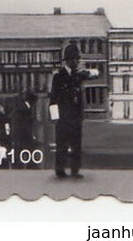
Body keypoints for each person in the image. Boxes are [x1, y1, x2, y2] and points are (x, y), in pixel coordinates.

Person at [49, 41, 99, 179]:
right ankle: (60, 170)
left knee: (76, 145)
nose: (77, 62)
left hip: (76, 117)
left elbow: (96, 73)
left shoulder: (78, 75)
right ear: (68, 60)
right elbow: (53, 98)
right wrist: (55, 118)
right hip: (63, 118)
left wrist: (85, 72)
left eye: (78, 59)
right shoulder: (58, 77)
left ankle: (75, 170)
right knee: (62, 145)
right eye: (75, 59)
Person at [11, 91, 37, 167]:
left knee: (22, 148)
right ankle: (29, 164)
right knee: (26, 147)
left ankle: (22, 163)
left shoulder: (22, 106)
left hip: (21, 132)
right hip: (24, 132)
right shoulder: (24, 108)